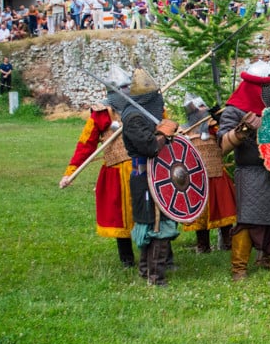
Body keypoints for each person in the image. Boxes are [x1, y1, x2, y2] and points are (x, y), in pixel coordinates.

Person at [218, 60, 270, 280]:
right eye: (266, 88)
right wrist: (241, 131)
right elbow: (222, 146)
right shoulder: (233, 110)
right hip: (251, 172)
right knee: (248, 219)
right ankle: (239, 267)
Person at [59, 65, 136, 267]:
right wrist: (71, 173)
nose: (128, 90)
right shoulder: (101, 114)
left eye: (130, 85)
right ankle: (127, 259)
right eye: (123, 87)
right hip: (117, 170)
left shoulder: (142, 105)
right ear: (113, 90)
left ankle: (160, 256)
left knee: (150, 212)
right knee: (121, 215)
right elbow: (86, 145)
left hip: (143, 165)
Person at [120, 68, 180, 286]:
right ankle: (154, 276)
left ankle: (147, 271)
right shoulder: (134, 118)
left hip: (155, 176)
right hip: (145, 177)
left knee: (154, 223)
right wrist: (164, 134)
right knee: (154, 226)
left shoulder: (142, 113)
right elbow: (151, 147)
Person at [180, 95, 236, 254]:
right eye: (201, 107)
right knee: (200, 214)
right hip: (196, 177)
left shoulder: (213, 125)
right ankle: (202, 246)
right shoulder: (184, 130)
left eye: (205, 106)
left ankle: (227, 242)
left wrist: (220, 118)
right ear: (194, 111)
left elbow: (226, 136)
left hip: (216, 171)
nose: (204, 109)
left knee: (224, 209)